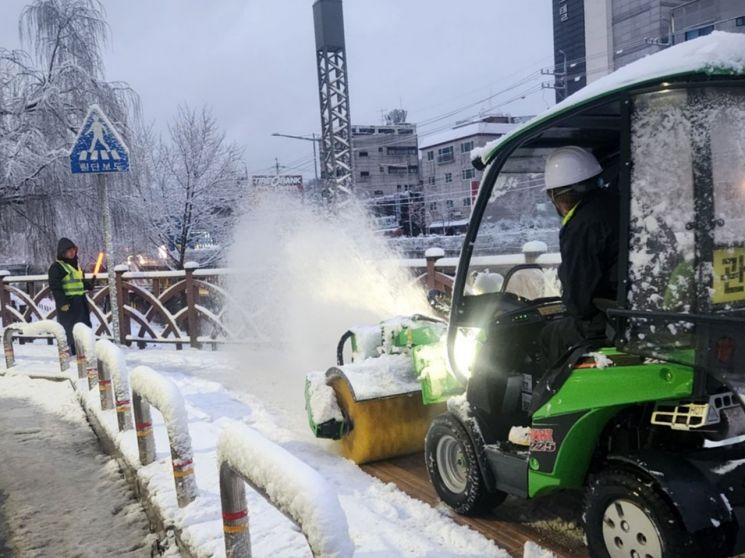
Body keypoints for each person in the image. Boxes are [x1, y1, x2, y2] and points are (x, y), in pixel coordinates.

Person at [540, 146, 619, 368]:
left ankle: (546, 400)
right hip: (630, 309)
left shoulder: (581, 226)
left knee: (549, 336)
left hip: (610, 320)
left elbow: (579, 303)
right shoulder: (617, 204)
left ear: (555, 195)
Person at [48, 238, 96, 354]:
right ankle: (73, 353)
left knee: (83, 326)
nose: (72, 252)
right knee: (70, 329)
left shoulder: (76, 266)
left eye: (73, 250)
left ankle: (84, 351)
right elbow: (55, 287)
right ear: (62, 252)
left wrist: (88, 285)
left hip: (80, 302)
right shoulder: (57, 267)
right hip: (68, 303)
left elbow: (79, 281)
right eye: (69, 250)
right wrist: (62, 302)